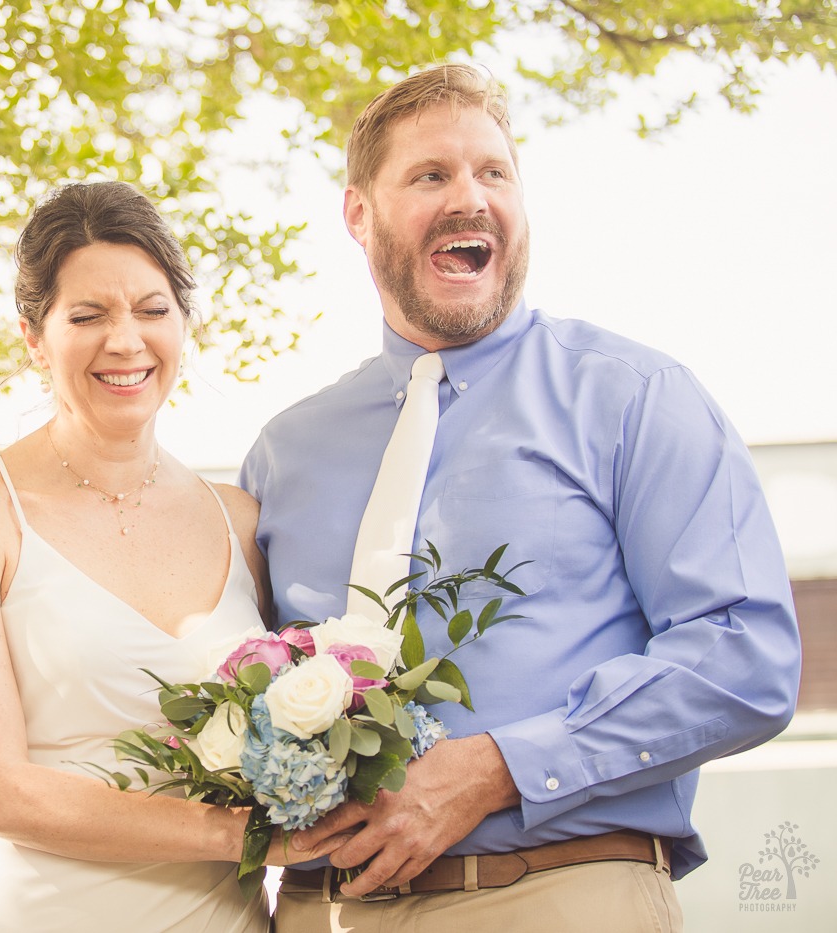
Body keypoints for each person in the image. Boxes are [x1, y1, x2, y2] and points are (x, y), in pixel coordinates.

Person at [240, 63, 802, 931]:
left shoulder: (635, 397)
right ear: (359, 214)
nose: (470, 197)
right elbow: (223, 671)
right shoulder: (283, 453)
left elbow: (746, 656)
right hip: (321, 906)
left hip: (558, 894)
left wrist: (498, 765)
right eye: (432, 175)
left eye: (493, 173)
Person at [0, 181, 340, 932]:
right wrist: (242, 837)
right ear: (35, 336)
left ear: (183, 323)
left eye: (153, 309)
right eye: (88, 315)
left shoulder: (240, 520)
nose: (125, 340)